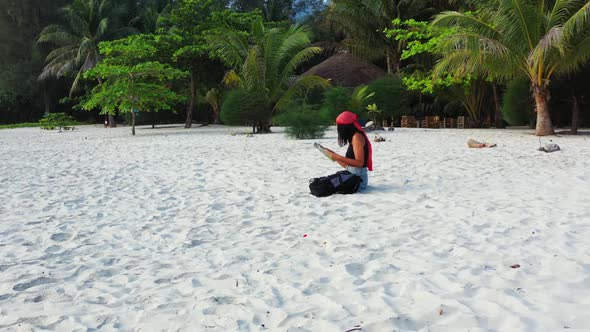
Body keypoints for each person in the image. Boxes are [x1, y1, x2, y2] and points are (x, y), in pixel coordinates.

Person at [324, 111, 373, 191]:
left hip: (358, 182)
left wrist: (336, 156)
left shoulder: (357, 137)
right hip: (353, 176)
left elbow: (359, 163)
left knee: (323, 187)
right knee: (323, 185)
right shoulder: (354, 136)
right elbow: (349, 167)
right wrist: (333, 155)